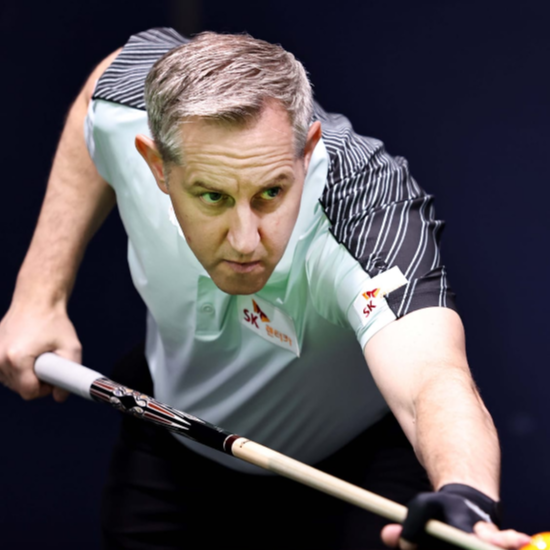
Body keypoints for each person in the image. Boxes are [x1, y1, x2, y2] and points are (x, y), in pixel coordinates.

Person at [0, 28, 530, 550]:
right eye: (212, 196)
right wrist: (39, 295)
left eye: (270, 193)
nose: (245, 240)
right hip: (176, 436)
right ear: (157, 165)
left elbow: (431, 379)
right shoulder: (127, 104)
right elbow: (99, 93)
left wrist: (467, 496)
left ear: (307, 152)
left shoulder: (367, 211)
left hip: (356, 465)